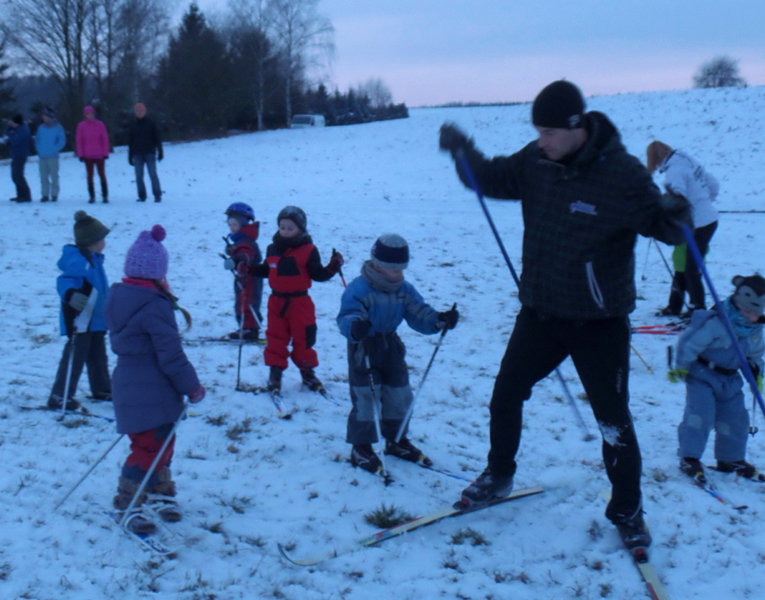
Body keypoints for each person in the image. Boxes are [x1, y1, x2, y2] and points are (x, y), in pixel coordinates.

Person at [438, 79, 692, 549]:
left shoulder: (620, 173)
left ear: (577, 127)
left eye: (549, 132)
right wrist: (463, 153)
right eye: (537, 131)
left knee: (613, 423)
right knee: (505, 394)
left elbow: (662, 224)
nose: (542, 140)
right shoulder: (537, 161)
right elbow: (492, 177)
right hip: (541, 312)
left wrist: (677, 214)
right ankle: (498, 474)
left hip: (599, 323)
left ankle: (627, 510)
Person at [104, 225, 205, 534]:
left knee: (161, 442)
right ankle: (128, 501)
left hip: (130, 386)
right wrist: (192, 386)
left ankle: (160, 491)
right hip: (152, 390)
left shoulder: (119, 297)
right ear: (158, 274)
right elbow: (171, 354)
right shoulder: (155, 306)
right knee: (149, 447)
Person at [337, 234, 459, 474]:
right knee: (366, 396)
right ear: (378, 267)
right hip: (364, 347)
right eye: (396, 270)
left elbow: (418, 312)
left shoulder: (403, 290)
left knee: (399, 393)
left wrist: (439, 320)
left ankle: (396, 439)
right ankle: (361, 446)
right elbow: (347, 315)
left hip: (391, 346)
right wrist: (355, 326)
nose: (400, 275)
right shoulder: (359, 288)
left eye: (403, 269)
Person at [669, 275, 765, 483]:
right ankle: (689, 457)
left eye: (756, 314)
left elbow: (755, 356)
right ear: (739, 304)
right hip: (702, 375)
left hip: (730, 380)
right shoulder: (716, 322)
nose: (751, 317)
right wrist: (681, 367)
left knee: (736, 419)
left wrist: (757, 373)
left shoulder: (755, 331)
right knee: (700, 415)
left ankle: (731, 459)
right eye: (748, 311)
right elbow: (689, 342)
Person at [249, 205, 344, 395]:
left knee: (304, 338)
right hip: (276, 302)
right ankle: (275, 373)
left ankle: (307, 371)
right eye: (281, 227)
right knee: (275, 337)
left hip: (300, 303)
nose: (284, 231)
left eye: (290, 228)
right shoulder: (272, 249)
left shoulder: (309, 250)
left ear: (301, 229)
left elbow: (318, 274)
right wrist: (249, 269)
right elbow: (268, 270)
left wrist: (332, 267)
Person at [47, 211, 112, 411]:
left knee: (98, 356)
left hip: (96, 320)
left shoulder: (94, 259)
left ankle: (101, 388)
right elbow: (64, 281)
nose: (104, 242)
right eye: (102, 238)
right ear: (91, 241)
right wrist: (71, 295)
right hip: (81, 320)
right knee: (75, 356)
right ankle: (60, 395)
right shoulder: (80, 261)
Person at [647, 141, 720, 319]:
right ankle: (675, 305)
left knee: (691, 268)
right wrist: (706, 201)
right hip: (706, 219)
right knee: (682, 262)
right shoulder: (686, 159)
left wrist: (661, 219)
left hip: (699, 224)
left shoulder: (674, 170)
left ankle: (698, 308)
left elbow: (676, 198)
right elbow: (713, 183)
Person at [222, 202, 263, 341]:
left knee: (247, 301)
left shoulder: (245, 241)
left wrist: (236, 259)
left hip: (250, 278)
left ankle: (250, 330)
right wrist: (232, 251)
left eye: (234, 224)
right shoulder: (242, 240)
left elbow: (246, 255)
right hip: (243, 277)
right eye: (230, 224)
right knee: (241, 301)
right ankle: (246, 328)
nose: (231, 227)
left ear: (243, 224)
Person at [128, 103, 163, 203]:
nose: (139, 113)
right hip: (137, 154)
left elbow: (157, 138)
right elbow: (130, 141)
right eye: (137, 111)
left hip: (150, 153)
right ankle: (142, 196)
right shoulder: (133, 125)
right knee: (139, 177)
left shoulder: (151, 123)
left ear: (145, 112)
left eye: (141, 111)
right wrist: (130, 156)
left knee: (153, 174)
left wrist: (160, 151)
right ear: (135, 113)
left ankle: (157, 195)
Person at [76, 106, 110, 204]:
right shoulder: (81, 126)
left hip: (99, 155)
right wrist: (81, 154)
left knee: (102, 174)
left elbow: (105, 139)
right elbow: (79, 141)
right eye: (88, 113)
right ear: (85, 115)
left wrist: (105, 153)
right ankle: (92, 196)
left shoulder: (100, 125)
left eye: (91, 113)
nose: (90, 115)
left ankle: (105, 195)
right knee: (90, 175)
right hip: (88, 155)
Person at [34, 107, 67, 202]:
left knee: (54, 176)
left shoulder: (58, 127)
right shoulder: (41, 128)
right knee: (43, 177)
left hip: (52, 157)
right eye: (42, 116)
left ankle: (54, 194)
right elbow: (37, 139)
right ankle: (45, 195)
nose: (43, 117)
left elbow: (62, 141)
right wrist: (38, 149)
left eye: (45, 116)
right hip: (42, 156)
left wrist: (54, 149)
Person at [6, 114, 32, 203]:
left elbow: (14, 140)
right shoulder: (17, 129)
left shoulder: (23, 130)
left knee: (19, 176)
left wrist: (9, 131)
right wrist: (10, 130)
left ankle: (26, 196)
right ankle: (20, 195)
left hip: (20, 156)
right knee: (14, 176)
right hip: (15, 155)